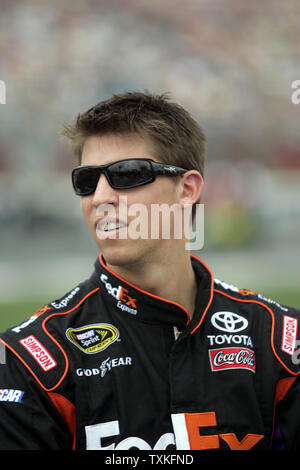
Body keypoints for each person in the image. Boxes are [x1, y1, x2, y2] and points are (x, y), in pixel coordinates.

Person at [0, 91, 299, 451]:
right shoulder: (29, 361)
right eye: (87, 181)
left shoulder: (280, 342)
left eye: (126, 175)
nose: (100, 197)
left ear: (187, 189)